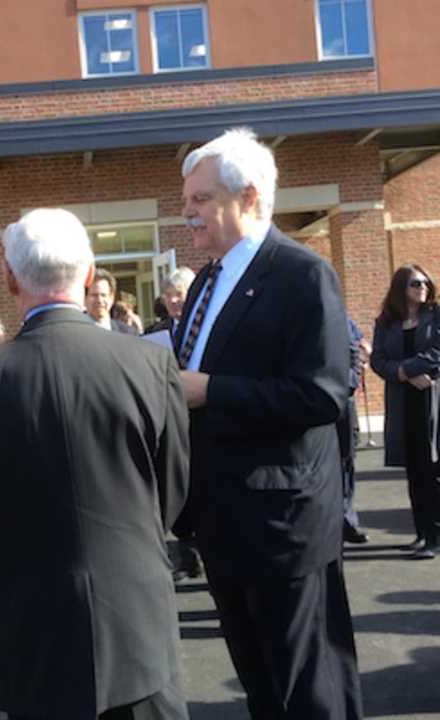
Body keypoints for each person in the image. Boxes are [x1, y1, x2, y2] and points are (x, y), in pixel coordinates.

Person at [0, 208, 190, 720]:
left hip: (29, 620)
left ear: (9, 278)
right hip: (136, 615)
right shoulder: (149, 364)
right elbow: (172, 489)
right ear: (91, 274)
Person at [173, 128, 362, 719]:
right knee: (262, 688)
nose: (187, 214)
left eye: (200, 200)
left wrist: (211, 391)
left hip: (283, 527)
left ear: (249, 197)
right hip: (223, 520)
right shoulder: (207, 278)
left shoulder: (302, 275)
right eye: (188, 201)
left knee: (308, 693)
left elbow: (323, 393)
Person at [370, 264, 440, 559]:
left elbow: (438, 351)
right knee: (414, 471)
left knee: (432, 470)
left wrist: (406, 369)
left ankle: (435, 538)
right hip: (402, 404)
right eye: (415, 283)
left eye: (425, 282)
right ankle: (421, 532)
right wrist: (402, 373)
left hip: (431, 400)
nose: (422, 287)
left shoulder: (435, 315)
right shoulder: (386, 322)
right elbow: (377, 359)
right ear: (402, 288)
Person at [340, 316, 370, 544]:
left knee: (346, 462)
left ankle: (347, 520)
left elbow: (359, 348)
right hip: (310, 402)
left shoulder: (342, 317)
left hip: (343, 401)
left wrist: (351, 382)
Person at [146, 267, 196, 337]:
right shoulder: (158, 331)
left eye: (179, 294)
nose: (173, 300)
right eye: (168, 295)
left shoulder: (201, 327)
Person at [85, 268, 137, 334]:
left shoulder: (128, 333)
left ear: (111, 298)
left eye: (103, 295)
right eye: (94, 295)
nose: (99, 300)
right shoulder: (76, 332)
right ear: (85, 298)